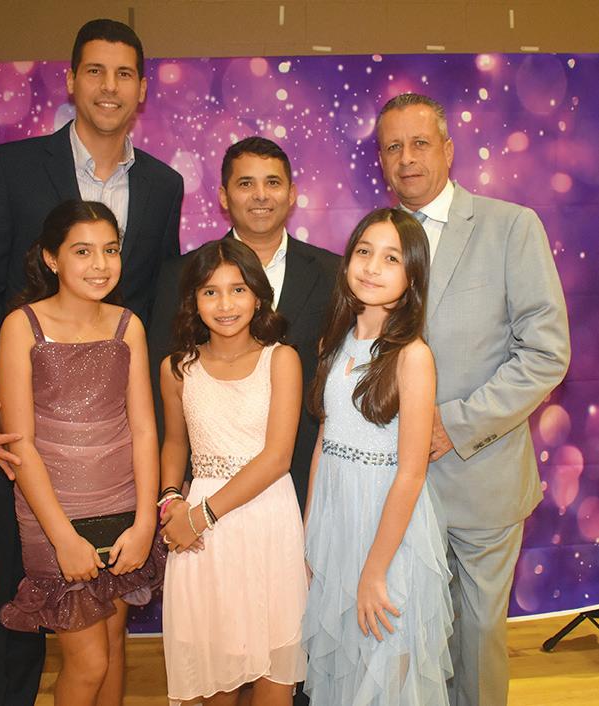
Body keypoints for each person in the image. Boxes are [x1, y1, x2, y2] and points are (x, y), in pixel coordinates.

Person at [0, 18, 183, 706]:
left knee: (108, 637)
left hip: (116, 455)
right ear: (72, 79)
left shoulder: (164, 185)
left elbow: (156, 304)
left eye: (124, 74)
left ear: (141, 88)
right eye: (95, 71)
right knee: (21, 595)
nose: (109, 87)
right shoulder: (12, 167)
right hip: (28, 435)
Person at [375, 92, 570, 706]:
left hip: (480, 474)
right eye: (393, 147)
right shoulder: (374, 241)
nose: (407, 158)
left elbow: (545, 354)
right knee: (406, 641)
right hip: (392, 486)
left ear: (448, 149)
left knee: (477, 642)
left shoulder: (511, 226)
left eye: (419, 143)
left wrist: (452, 425)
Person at [0, 200, 164, 706]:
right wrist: (63, 537)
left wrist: (145, 523)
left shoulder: (128, 326)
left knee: (112, 649)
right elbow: (20, 443)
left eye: (110, 250)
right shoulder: (21, 326)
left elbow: (144, 430)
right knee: (88, 662)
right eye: (83, 251)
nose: (100, 264)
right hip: (53, 514)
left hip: (121, 505)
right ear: (52, 258)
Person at [302, 208, 453, 704]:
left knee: (387, 669)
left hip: (388, 528)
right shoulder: (333, 342)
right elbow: (324, 443)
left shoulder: (413, 355)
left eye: (391, 258)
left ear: (413, 276)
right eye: (364, 251)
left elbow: (411, 473)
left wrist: (374, 569)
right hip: (335, 519)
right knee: (342, 664)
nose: (371, 266)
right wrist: (310, 533)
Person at [149, 136, 339, 511]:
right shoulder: (181, 275)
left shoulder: (334, 273)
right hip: (203, 487)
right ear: (223, 196)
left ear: (292, 193)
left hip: (307, 479)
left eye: (273, 182)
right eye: (246, 183)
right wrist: (173, 488)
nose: (261, 195)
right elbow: (166, 388)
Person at [159, 239, 308, 705]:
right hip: (203, 539)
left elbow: (277, 457)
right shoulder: (178, 368)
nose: (225, 305)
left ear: (258, 297)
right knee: (213, 679)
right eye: (211, 292)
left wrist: (200, 515)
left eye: (238, 290)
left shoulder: (281, 359)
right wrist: (170, 500)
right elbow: (175, 442)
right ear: (193, 300)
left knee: (273, 677)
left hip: (266, 520)